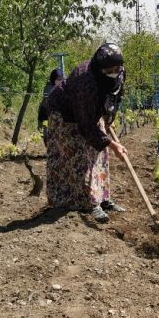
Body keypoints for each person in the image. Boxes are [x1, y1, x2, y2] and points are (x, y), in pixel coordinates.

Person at [46, 43, 128, 223]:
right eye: (109, 69)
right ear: (100, 68)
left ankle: (103, 198)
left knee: (100, 155)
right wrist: (113, 144)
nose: (114, 71)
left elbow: (116, 96)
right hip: (65, 114)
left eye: (117, 68)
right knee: (79, 155)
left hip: (90, 111)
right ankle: (88, 203)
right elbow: (85, 125)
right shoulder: (85, 80)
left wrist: (108, 119)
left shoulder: (120, 72)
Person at [37, 68, 63, 144]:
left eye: (61, 79)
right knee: (47, 136)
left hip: (53, 116)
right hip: (45, 114)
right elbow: (51, 103)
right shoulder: (49, 88)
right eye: (58, 79)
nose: (60, 81)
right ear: (53, 78)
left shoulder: (59, 87)